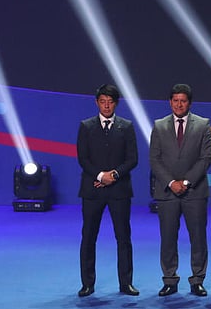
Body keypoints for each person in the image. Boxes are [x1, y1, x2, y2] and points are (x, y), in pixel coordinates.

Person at [149, 83, 211, 297]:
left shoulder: (203, 124)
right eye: (175, 100)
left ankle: (197, 280)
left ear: (190, 103)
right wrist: (171, 183)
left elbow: (206, 158)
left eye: (183, 101)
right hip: (167, 192)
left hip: (194, 192)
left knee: (198, 237)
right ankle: (170, 280)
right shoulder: (159, 126)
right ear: (170, 102)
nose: (179, 104)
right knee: (168, 238)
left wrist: (185, 183)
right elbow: (155, 160)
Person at [76, 83, 139, 297]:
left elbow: (132, 159)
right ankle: (87, 283)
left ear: (116, 103)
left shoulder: (126, 126)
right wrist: (101, 176)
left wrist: (114, 175)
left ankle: (126, 283)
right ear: (97, 103)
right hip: (92, 190)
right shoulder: (86, 126)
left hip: (119, 190)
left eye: (110, 102)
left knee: (123, 237)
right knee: (88, 237)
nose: (106, 105)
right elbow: (83, 158)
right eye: (102, 101)